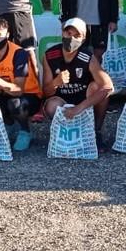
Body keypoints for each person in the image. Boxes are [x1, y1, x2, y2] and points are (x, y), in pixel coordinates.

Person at [41, 18, 113, 151]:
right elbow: (46, 92)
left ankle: (95, 132)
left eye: (77, 35)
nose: (71, 38)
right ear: (63, 33)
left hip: (83, 98)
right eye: (69, 33)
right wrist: (56, 82)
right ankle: (63, 133)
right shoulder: (50, 55)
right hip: (61, 98)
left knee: (98, 88)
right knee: (51, 106)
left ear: (83, 39)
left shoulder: (88, 57)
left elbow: (108, 87)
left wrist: (79, 107)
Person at [0, 18, 43, 151]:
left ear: (8, 34)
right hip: (3, 93)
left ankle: (25, 131)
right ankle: (9, 124)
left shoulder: (19, 53)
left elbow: (18, 91)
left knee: (15, 103)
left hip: (29, 95)